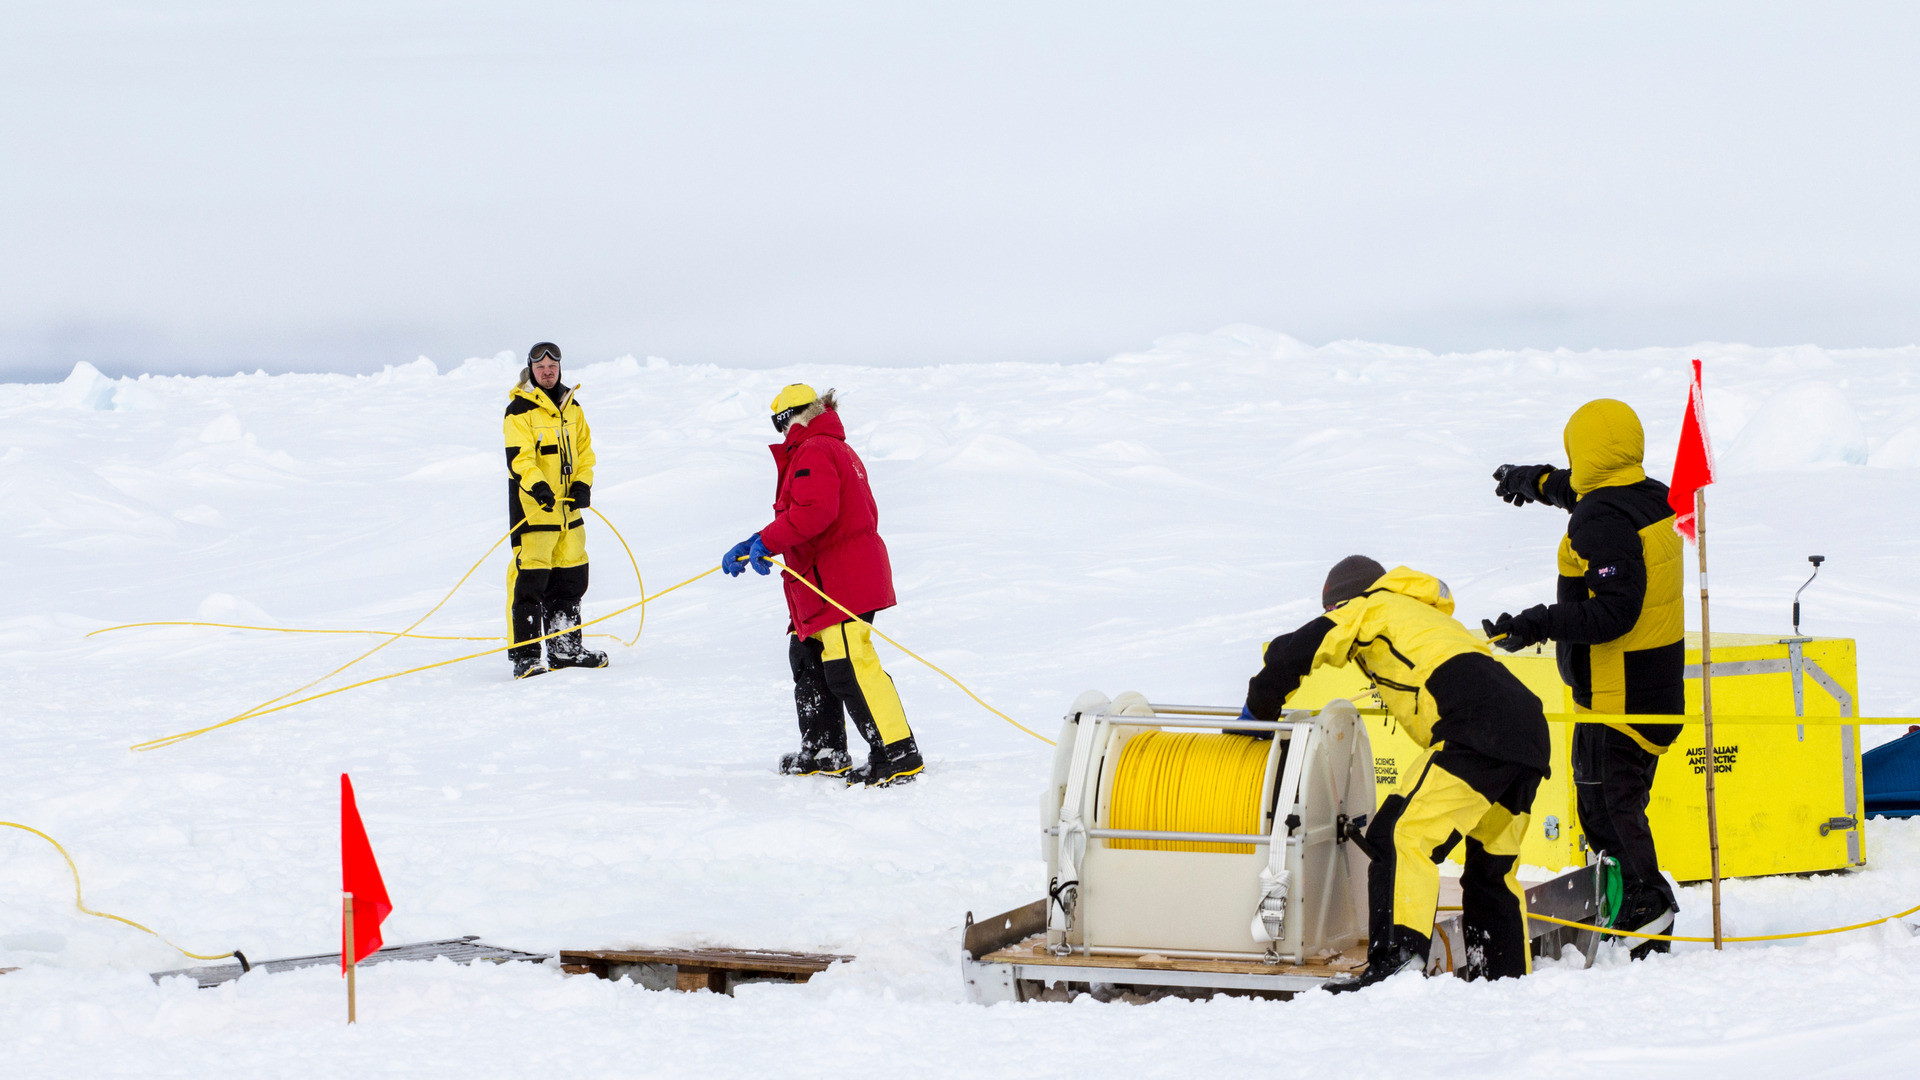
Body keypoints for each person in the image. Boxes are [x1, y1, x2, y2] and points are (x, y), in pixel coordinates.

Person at [1243, 556, 1550, 990]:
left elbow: (1297, 649)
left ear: (1342, 602)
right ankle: (1504, 979)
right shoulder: (1420, 614)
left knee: (1398, 835)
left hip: (1475, 728)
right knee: (1491, 869)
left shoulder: (1369, 608)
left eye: (1333, 611)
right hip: (1527, 730)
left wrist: (1256, 712)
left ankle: (1396, 965)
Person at [1485, 398, 1684, 957]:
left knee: (1610, 804)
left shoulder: (1600, 517)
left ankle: (1648, 905)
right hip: (1653, 682)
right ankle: (1624, 900)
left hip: (1618, 691)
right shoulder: (1648, 495)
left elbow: (1615, 611)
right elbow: (1580, 492)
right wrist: (1534, 481)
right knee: (1611, 803)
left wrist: (1537, 623)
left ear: (1586, 449)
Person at [722, 384, 925, 787]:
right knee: (808, 657)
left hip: (839, 580)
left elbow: (815, 513)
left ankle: (898, 753)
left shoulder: (815, 448)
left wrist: (770, 542)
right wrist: (756, 542)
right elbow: (802, 514)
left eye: (781, 425)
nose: (782, 435)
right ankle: (825, 750)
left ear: (790, 417)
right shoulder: (825, 448)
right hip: (820, 583)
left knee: (850, 665)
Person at [503, 341, 607, 680]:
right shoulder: (519, 410)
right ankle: (527, 656)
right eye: (540, 367)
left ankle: (566, 650)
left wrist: (583, 484)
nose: (547, 372)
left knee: (571, 578)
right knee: (530, 584)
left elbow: (585, 452)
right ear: (530, 370)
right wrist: (538, 487)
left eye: (552, 366)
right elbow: (520, 460)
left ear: (560, 368)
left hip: (569, 515)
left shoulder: (572, 407)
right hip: (535, 514)